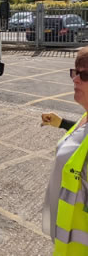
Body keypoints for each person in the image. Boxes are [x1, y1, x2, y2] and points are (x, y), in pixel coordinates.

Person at [41, 46, 88, 254]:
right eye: (75, 73)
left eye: (85, 75)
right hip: (64, 238)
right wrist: (62, 124)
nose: (75, 79)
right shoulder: (85, 118)